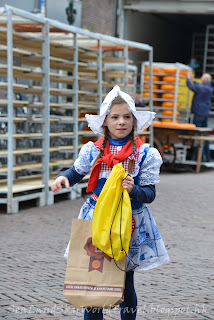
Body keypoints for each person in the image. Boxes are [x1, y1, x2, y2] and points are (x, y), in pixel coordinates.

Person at [51, 85, 170, 320]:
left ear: (134, 121)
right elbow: (76, 172)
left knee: (125, 280)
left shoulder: (144, 154)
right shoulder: (93, 150)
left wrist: (133, 189)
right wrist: (62, 177)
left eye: (127, 117)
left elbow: (150, 194)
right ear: (105, 121)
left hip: (128, 222)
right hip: (97, 219)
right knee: (92, 279)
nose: (121, 122)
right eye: (115, 117)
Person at [186, 71, 213, 161]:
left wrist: (188, 79)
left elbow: (192, 87)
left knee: (197, 135)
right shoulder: (209, 88)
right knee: (205, 135)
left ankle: (199, 157)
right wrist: (194, 80)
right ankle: (207, 157)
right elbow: (199, 87)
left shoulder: (202, 88)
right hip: (205, 113)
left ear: (204, 79)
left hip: (198, 113)